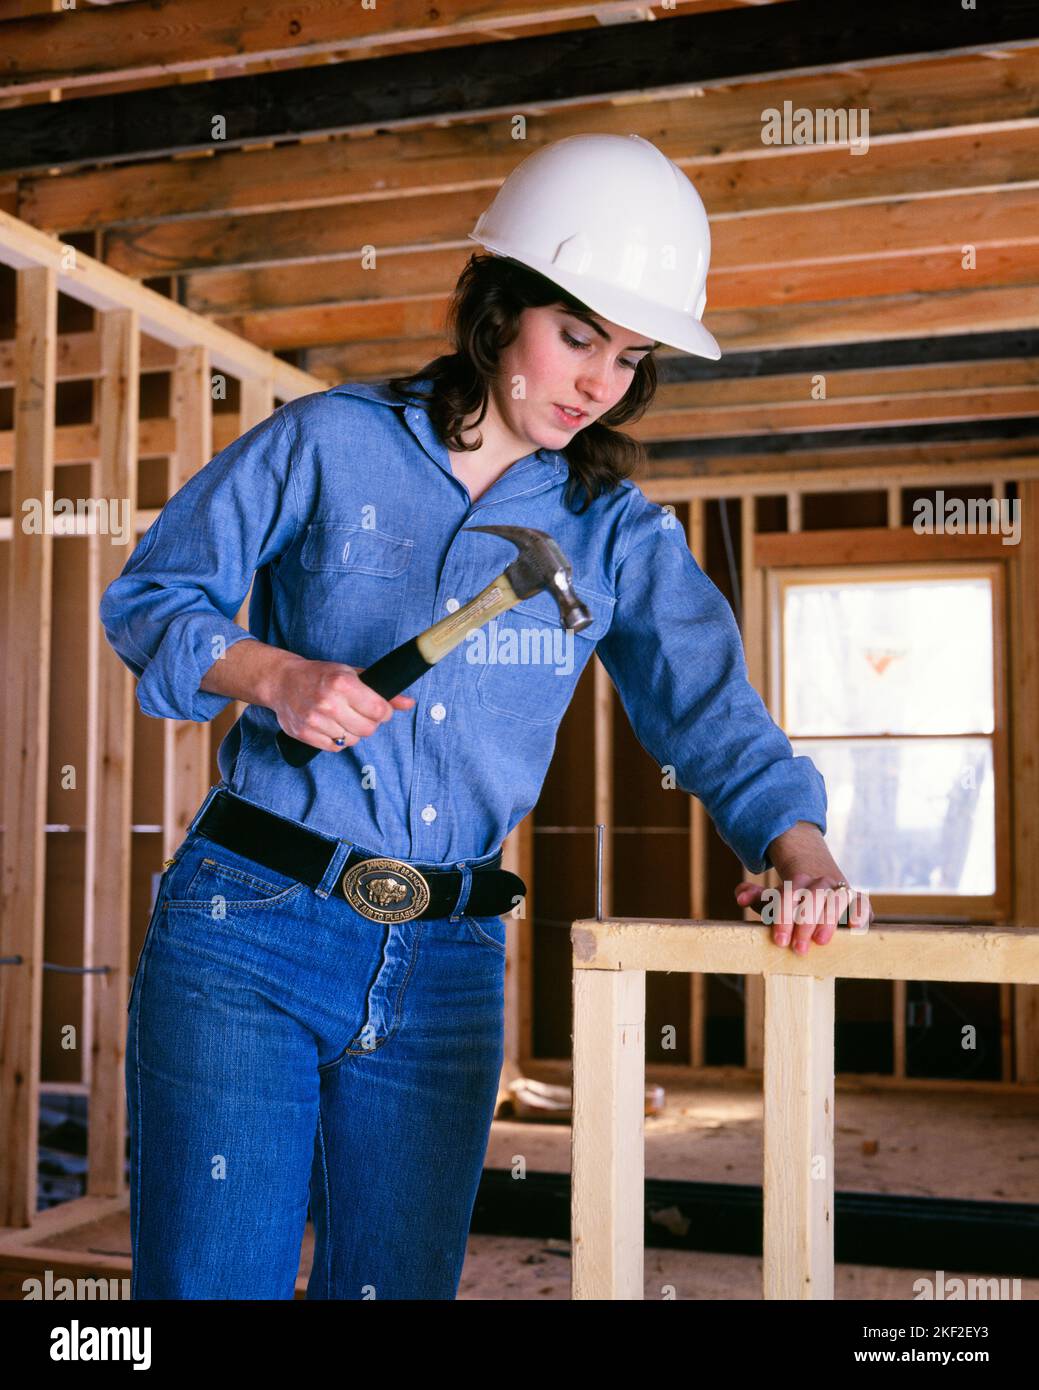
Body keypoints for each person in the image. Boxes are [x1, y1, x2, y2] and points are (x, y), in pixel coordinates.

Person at [100, 132, 862, 1301]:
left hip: (450, 957)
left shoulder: (612, 531)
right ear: (498, 307)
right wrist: (270, 673)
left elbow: (712, 711)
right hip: (248, 925)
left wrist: (796, 845)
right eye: (575, 335)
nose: (599, 381)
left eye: (630, 354)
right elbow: (153, 594)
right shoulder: (329, 440)